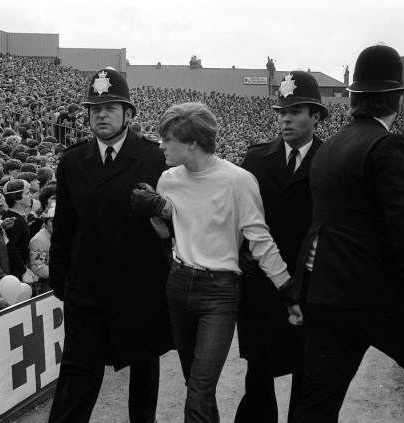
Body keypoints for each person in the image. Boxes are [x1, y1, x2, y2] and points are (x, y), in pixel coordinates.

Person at [289, 45, 404, 423]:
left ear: (355, 98)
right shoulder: (387, 145)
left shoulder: (330, 146)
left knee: (318, 400)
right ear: (397, 98)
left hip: (324, 291)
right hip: (373, 295)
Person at [130, 101, 302, 423]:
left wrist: (287, 287)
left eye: (168, 139)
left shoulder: (239, 180)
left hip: (219, 293)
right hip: (178, 285)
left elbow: (260, 240)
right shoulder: (167, 179)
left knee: (198, 392)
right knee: (196, 388)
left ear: (192, 143)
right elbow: (167, 235)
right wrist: (155, 214)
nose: (161, 145)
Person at [48, 68, 173, 423]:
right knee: (77, 373)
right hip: (86, 289)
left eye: (110, 108)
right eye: (94, 109)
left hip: (141, 285)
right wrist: (62, 282)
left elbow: (174, 219)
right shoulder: (72, 161)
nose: (101, 115)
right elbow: (65, 226)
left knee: (144, 373)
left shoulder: (154, 157)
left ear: (128, 114)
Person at [234, 71, 327, 423]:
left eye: (296, 112)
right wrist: (242, 253)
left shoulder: (330, 160)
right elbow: (238, 216)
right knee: (258, 375)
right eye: (282, 112)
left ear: (316, 116)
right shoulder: (256, 159)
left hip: (310, 286)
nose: (286, 119)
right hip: (261, 286)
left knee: (308, 375)